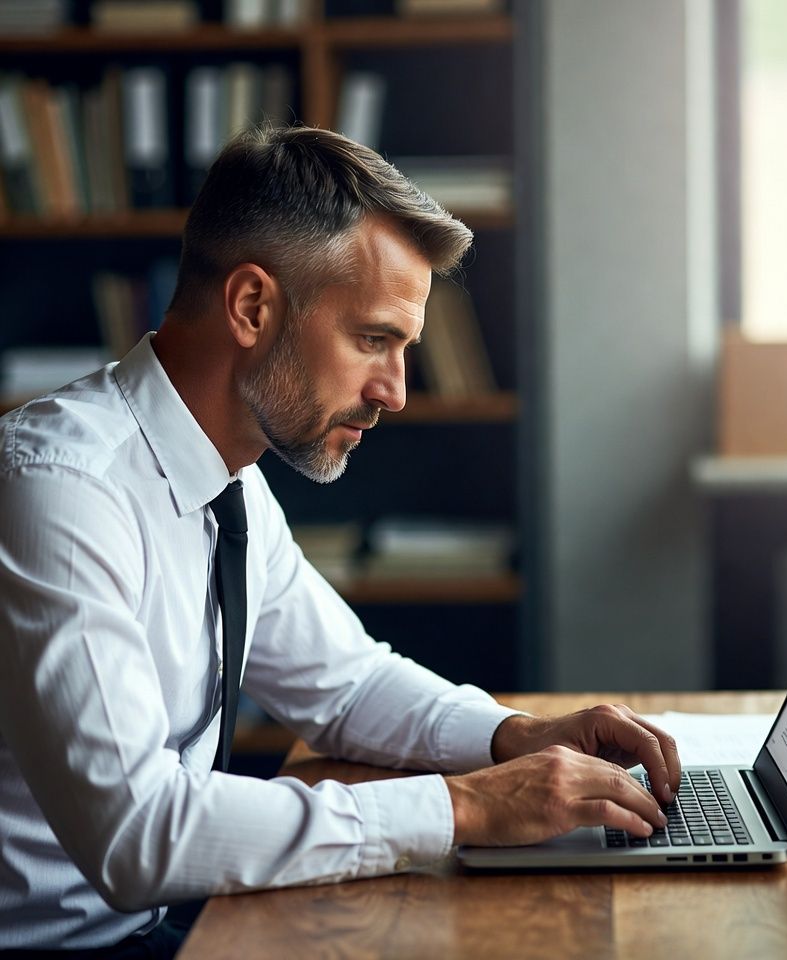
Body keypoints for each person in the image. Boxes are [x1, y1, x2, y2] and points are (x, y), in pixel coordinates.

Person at [0, 126, 680, 955]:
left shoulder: (229, 482)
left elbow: (346, 686)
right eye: (372, 339)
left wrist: (514, 736)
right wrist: (467, 806)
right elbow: (138, 835)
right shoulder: (61, 491)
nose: (395, 391)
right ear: (252, 307)